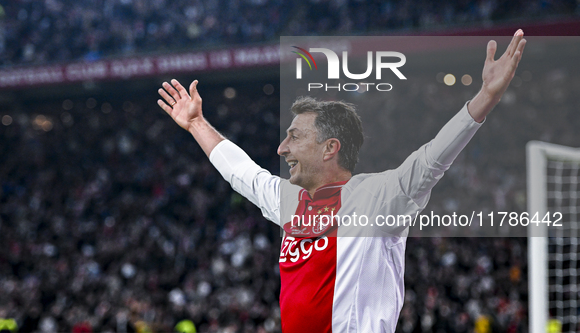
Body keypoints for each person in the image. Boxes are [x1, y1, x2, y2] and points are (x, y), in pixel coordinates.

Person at [157, 31, 526, 333]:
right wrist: (195, 123)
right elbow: (242, 173)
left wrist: (485, 97)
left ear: (330, 148)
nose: (282, 147)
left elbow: (433, 158)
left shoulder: (378, 198)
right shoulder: (290, 200)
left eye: (295, 137)